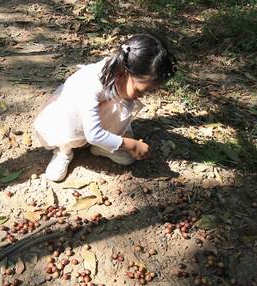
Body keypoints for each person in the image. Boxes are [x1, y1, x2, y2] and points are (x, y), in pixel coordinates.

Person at [33, 33, 177, 182]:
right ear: (123, 73)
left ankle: (104, 145)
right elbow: (93, 134)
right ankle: (64, 150)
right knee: (69, 134)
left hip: (98, 116)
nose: (141, 96)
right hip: (69, 119)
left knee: (127, 153)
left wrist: (126, 138)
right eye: (140, 90)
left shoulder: (122, 74)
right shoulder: (89, 84)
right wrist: (132, 145)